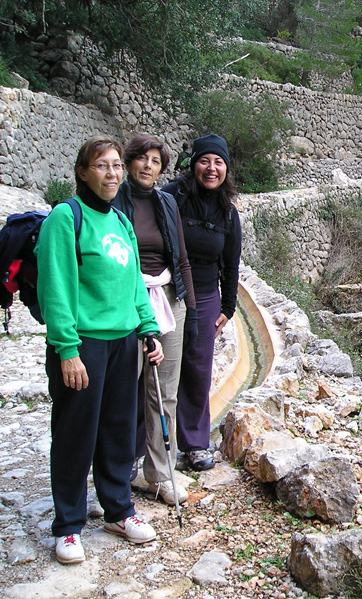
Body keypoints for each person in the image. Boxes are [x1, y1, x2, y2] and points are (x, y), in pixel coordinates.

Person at [36, 136, 164, 565]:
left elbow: (133, 284)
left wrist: (148, 330)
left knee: (117, 430)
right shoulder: (64, 218)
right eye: (102, 166)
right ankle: (69, 525)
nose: (112, 174)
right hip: (84, 344)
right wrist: (67, 349)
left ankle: (118, 510)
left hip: (123, 342)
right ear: (82, 172)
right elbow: (56, 289)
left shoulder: (121, 222)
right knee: (75, 433)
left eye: (115, 166)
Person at [113, 134, 197, 506]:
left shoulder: (166, 203)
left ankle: (161, 474)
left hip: (166, 300)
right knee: (120, 392)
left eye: (156, 161)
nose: (148, 166)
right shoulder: (113, 202)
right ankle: (111, 475)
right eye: (142, 159)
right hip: (125, 301)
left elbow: (180, 258)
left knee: (166, 392)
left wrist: (189, 310)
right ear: (129, 162)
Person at [162, 134, 241, 471]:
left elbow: (231, 264)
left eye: (218, 162)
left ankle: (194, 444)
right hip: (167, 292)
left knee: (197, 369)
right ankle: (145, 446)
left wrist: (228, 307)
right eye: (205, 161)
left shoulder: (227, 212)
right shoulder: (171, 198)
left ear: (225, 169)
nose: (211, 168)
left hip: (207, 295)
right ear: (193, 163)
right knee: (160, 369)